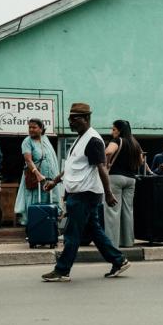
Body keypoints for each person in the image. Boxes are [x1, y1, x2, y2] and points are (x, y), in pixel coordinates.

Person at [40, 103, 129, 282]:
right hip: (80, 193)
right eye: (70, 119)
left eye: (75, 119)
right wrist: (54, 182)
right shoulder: (81, 139)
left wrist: (109, 193)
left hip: (85, 194)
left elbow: (102, 167)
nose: (71, 123)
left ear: (87, 118)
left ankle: (62, 270)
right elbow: (72, 167)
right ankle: (119, 260)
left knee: (72, 233)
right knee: (94, 230)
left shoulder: (93, 140)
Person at [103, 119, 144, 248]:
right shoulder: (135, 143)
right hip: (131, 179)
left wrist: (107, 161)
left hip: (115, 177)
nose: (112, 132)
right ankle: (127, 241)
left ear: (119, 130)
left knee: (112, 211)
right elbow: (141, 161)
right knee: (128, 210)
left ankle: (112, 243)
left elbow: (108, 151)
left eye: (114, 129)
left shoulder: (117, 140)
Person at [14, 118, 61, 226]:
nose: (31, 129)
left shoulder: (45, 139)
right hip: (35, 180)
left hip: (49, 179)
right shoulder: (27, 141)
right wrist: (37, 174)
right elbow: (28, 160)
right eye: (29, 127)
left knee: (50, 202)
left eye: (34, 127)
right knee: (35, 203)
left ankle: (49, 229)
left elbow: (51, 158)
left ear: (41, 129)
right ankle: (34, 229)